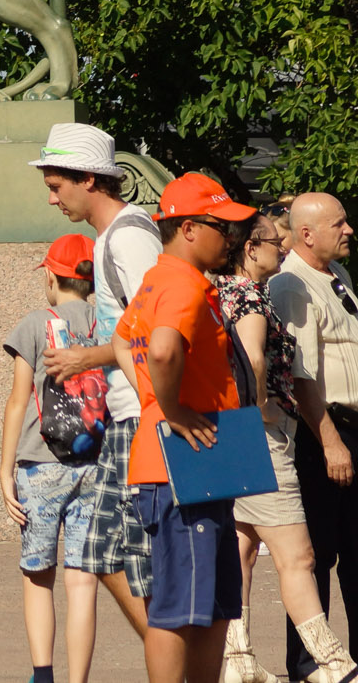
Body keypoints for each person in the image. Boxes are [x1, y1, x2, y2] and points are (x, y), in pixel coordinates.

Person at [115, 172, 252, 683]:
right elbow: (164, 348)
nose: (231, 237)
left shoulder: (163, 276)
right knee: (180, 608)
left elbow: (122, 336)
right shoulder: (178, 284)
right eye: (223, 226)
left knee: (214, 606)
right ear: (190, 228)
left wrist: (154, 399)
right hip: (182, 463)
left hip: (199, 459)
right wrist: (168, 410)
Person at [218, 210, 358, 683]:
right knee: (299, 556)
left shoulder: (230, 291)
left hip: (238, 436)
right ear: (249, 248)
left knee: (241, 544)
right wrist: (261, 408)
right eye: (271, 240)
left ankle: (238, 660)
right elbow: (255, 358)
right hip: (263, 437)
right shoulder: (250, 298)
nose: (280, 247)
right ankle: (334, 664)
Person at [35, 121, 162, 637]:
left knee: (117, 555)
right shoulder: (118, 235)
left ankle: (176, 657)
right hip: (130, 415)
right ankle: (173, 654)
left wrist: (86, 357)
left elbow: (159, 333)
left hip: (146, 417)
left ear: (89, 179)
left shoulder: (129, 238)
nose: (52, 200)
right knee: (107, 554)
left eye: (56, 186)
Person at [0, 232, 105, 683]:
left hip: (40, 463)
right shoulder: (107, 324)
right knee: (83, 579)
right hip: (96, 462)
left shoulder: (34, 324)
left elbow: (18, 401)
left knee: (37, 572)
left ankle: (43, 675)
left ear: (50, 276)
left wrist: (4, 470)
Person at [269, 192, 358, 683]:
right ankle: (310, 665)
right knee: (316, 555)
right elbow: (301, 378)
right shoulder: (290, 286)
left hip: (348, 434)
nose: (348, 230)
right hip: (324, 435)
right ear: (307, 233)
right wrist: (329, 442)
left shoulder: (337, 277)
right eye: (339, 223)